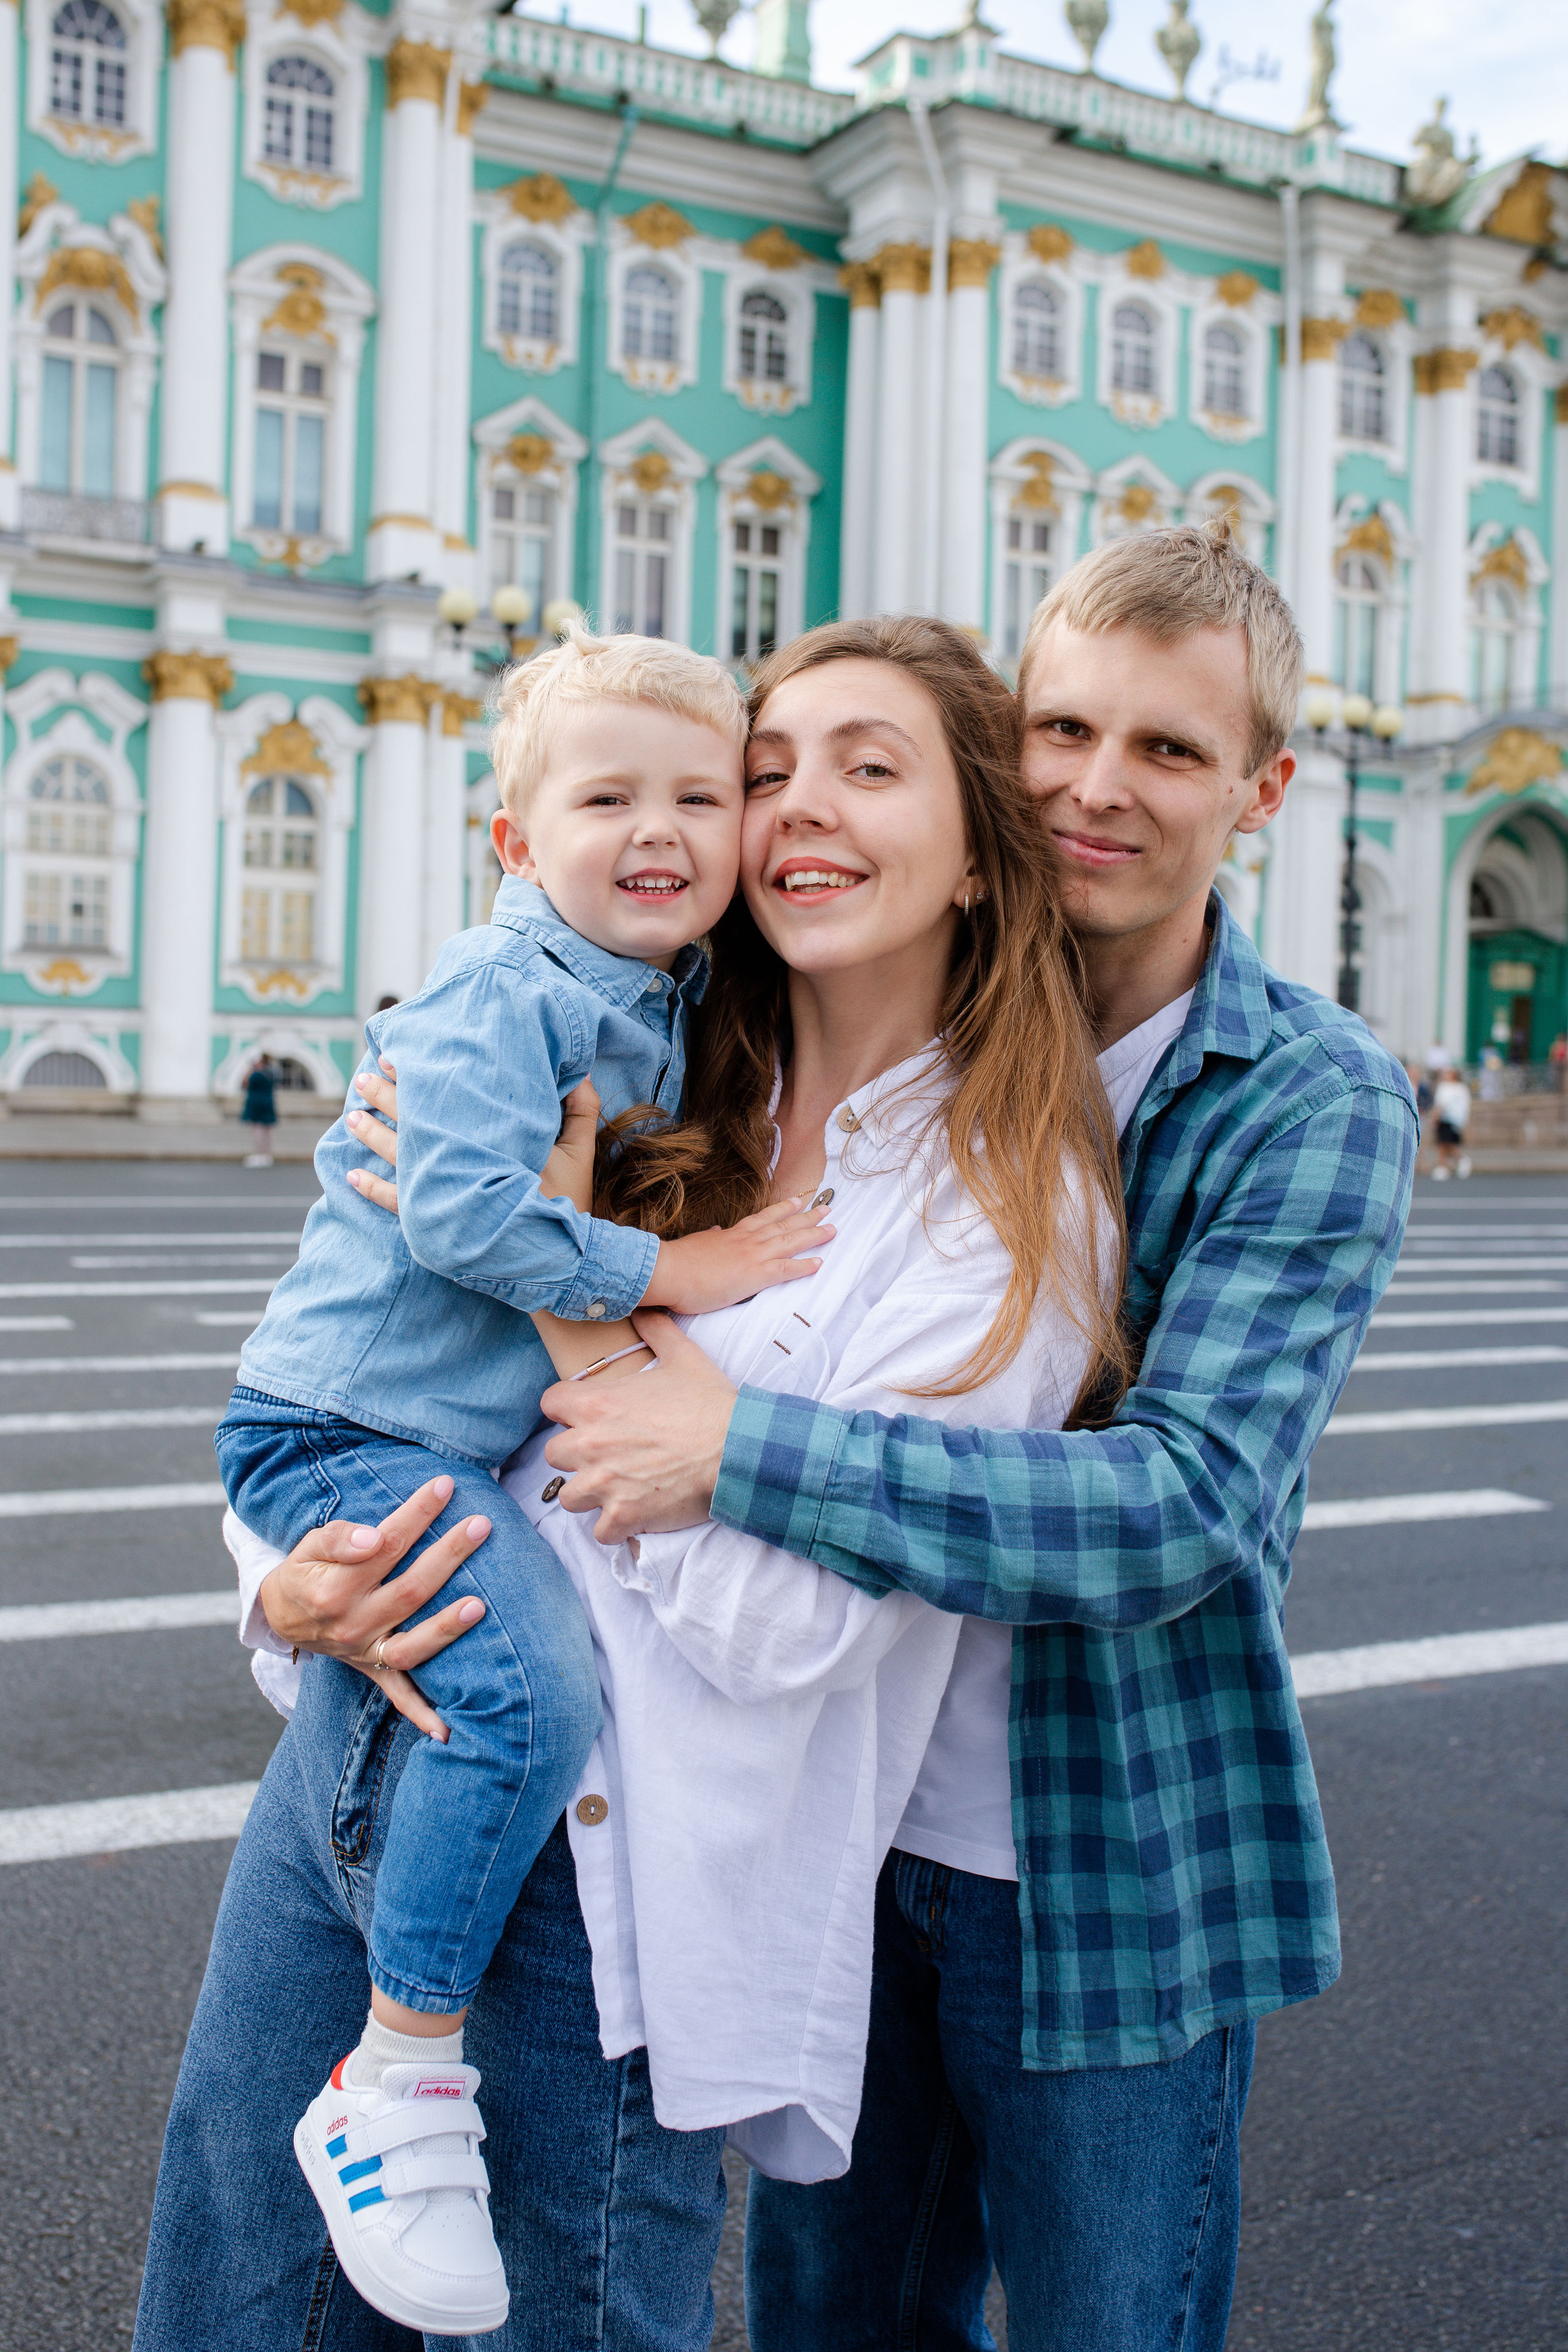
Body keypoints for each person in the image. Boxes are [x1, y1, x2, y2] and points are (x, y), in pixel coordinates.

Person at [134, 617, 1123, 2352]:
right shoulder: (652, 1058)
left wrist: (588, 1322)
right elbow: (363, 1365)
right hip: (368, 1760)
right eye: (772, 770)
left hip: (614, 1899)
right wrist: (282, 1591)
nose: (795, 806)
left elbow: (793, 1626)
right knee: (229, 2303)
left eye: (868, 770)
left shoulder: (1009, 1205)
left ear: (982, 859)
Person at [538, 528, 1419, 2351]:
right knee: (831, 2324)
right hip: (825, 1832)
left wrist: (740, 1446)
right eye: (1063, 729)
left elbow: (1178, 1506)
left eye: (1168, 750)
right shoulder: (838, 1008)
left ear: (1257, 786)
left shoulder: (1303, 1092)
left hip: (1092, 1861)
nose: (1098, 787)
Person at [208, 628, 832, 2337]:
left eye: (700, 796)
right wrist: (674, 1273)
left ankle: (397, 2074)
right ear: (512, 841)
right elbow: (462, 1213)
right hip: (343, 1427)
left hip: (416, 1437)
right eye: (608, 795)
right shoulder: (508, 991)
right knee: (524, 1690)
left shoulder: (687, 994)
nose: (661, 829)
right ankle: (400, 2080)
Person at [1432, 1060, 1472, 1179]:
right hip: (1444, 1118)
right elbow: (1439, 1104)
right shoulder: (1443, 1087)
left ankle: (1456, 1162)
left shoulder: (1461, 1088)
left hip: (1455, 1119)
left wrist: (1464, 1120)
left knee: (1448, 1143)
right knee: (1443, 1143)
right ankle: (1443, 1166)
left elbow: (1465, 1106)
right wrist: (1436, 1116)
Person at [240, 1050, 279, 1167]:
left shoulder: (257, 1074)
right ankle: (267, 1155)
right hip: (268, 1101)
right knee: (268, 1128)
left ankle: (259, 1154)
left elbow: (244, 1083)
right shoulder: (271, 1073)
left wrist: (251, 1069)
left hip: (256, 1102)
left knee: (258, 1128)